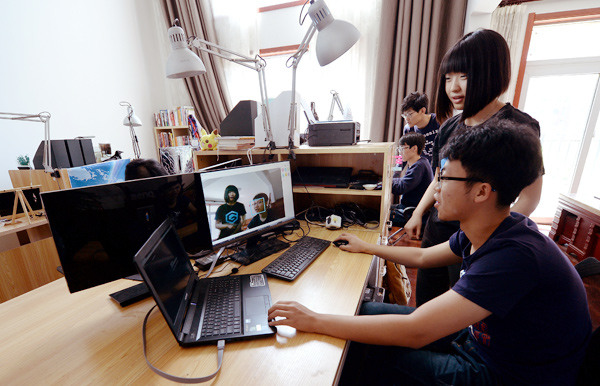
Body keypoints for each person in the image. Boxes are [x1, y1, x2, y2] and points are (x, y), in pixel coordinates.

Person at [268, 123, 591, 385]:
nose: (435, 186)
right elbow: (423, 258)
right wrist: (367, 246)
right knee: (362, 310)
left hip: (505, 373)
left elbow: (416, 331)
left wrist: (314, 320)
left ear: (481, 191)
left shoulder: (514, 257)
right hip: (478, 342)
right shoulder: (495, 227)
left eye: (445, 177)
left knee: (360, 352)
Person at [404, 29, 544, 306]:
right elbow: (439, 179)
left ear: (492, 73)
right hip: (439, 230)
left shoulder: (520, 126)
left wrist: (487, 234)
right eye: (448, 78)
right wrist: (418, 213)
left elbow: (530, 196)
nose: (453, 87)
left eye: (464, 76)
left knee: (462, 313)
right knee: (426, 303)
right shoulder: (450, 127)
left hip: (479, 240)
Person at [390, 133, 433, 227]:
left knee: (378, 213)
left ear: (414, 148)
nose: (400, 152)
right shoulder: (421, 161)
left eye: (402, 148)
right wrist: (399, 163)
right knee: (381, 208)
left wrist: (386, 181)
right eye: (399, 149)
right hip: (406, 208)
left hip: (411, 212)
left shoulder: (419, 166)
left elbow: (399, 188)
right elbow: (398, 179)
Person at [401, 91, 440, 163]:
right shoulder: (408, 129)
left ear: (422, 110)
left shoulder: (439, 121)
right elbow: (403, 155)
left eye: (409, 114)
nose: (406, 119)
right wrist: (394, 172)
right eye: (404, 115)